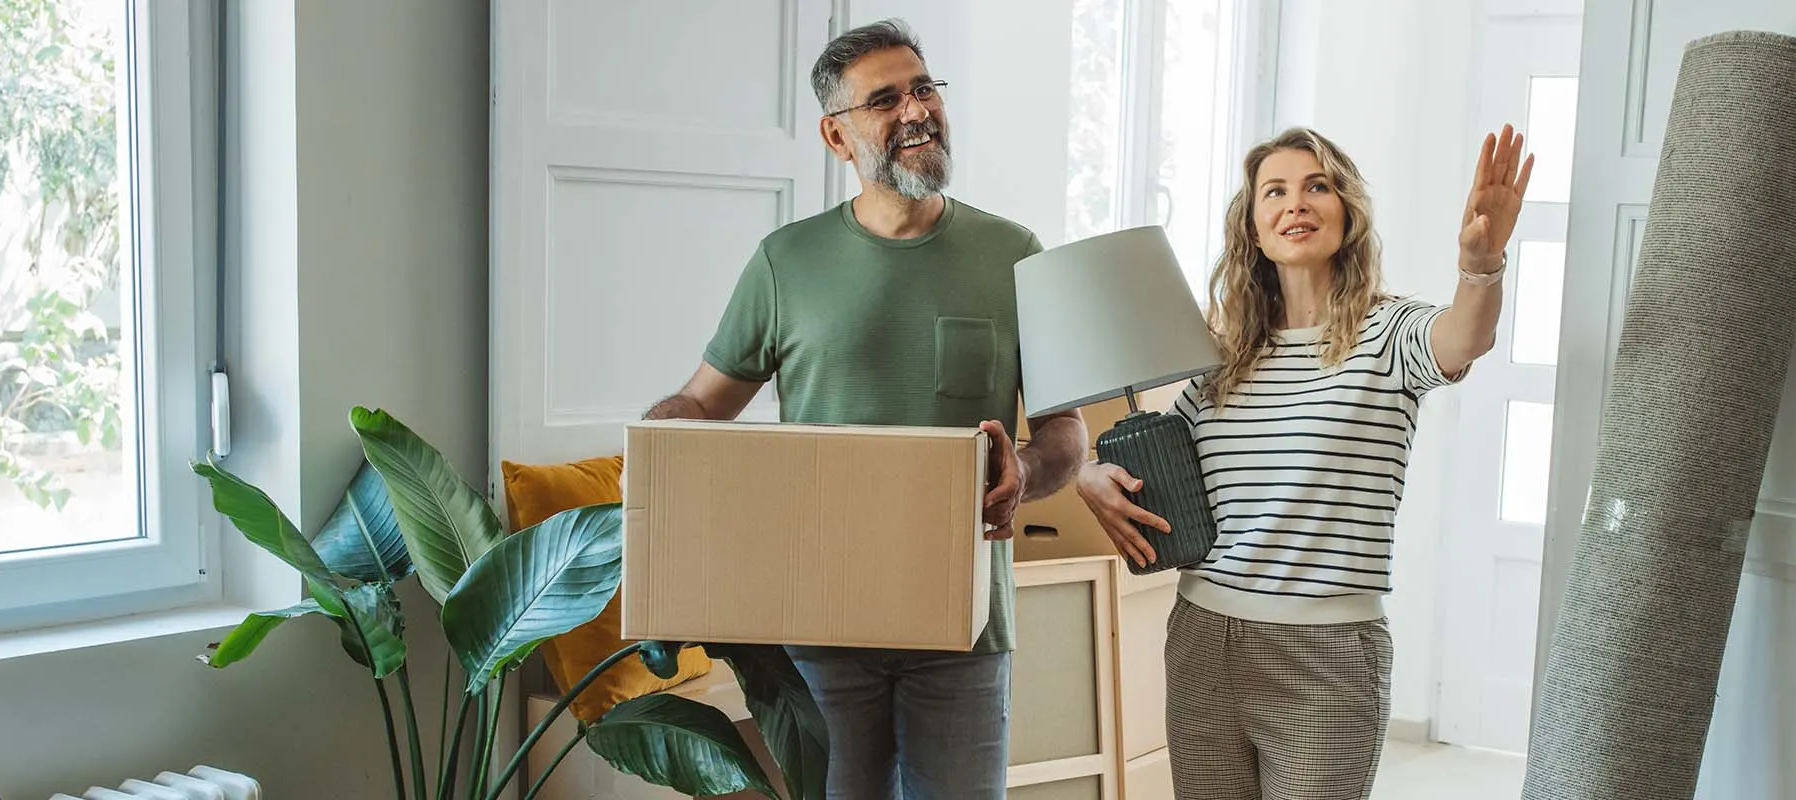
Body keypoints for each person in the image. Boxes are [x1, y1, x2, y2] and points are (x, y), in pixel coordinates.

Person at [642, 19, 1088, 800]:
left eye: (923, 88)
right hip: (817, 629)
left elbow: (1064, 434)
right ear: (837, 136)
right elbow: (702, 405)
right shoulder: (787, 262)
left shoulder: (1013, 253)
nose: (916, 109)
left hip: (965, 625)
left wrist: (1026, 470)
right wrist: (654, 452)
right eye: (885, 99)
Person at [1075, 125, 1532, 799]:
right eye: (1276, 192)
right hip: (1203, 638)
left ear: (1346, 213)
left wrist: (1481, 261)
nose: (1297, 204)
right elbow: (1154, 466)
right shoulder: (1221, 360)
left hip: (1328, 656)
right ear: (1253, 228)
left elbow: (1466, 337)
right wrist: (1086, 474)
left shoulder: (1389, 333)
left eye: (1317, 186)